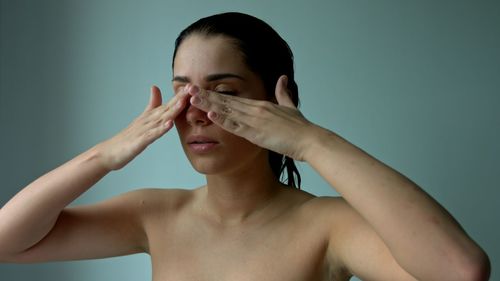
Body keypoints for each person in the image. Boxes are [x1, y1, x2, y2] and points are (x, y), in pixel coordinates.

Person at [0, 12, 490, 281]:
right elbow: (7, 242)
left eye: (224, 93)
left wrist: (312, 141)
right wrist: (106, 155)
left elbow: (459, 270)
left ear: (278, 101)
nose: (193, 111)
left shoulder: (329, 226)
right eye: (180, 92)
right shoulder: (154, 214)